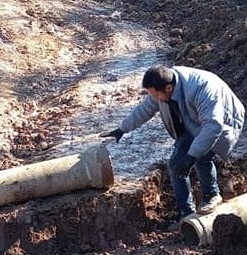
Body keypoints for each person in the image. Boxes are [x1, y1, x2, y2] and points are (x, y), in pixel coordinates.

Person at [101, 65, 244, 222]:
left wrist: (192, 155)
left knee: (202, 157)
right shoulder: (162, 87)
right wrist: (122, 128)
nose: (156, 99)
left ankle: (212, 195)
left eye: (156, 95)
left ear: (169, 88)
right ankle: (187, 214)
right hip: (191, 121)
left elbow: (213, 126)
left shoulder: (201, 89)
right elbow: (145, 108)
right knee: (176, 164)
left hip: (222, 121)